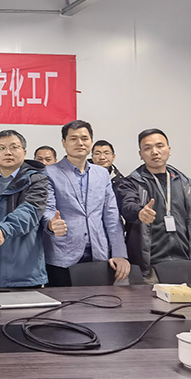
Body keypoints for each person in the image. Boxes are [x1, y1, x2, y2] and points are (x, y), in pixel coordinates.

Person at [42, 120, 129, 286]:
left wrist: (119, 253)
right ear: (64, 143)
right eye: (73, 138)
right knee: (62, 302)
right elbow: (47, 208)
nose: (80, 143)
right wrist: (51, 223)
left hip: (98, 253)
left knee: (100, 300)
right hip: (62, 253)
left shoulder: (102, 174)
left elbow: (111, 216)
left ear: (91, 141)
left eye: (84, 138)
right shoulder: (49, 172)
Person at [118, 129, 191, 284]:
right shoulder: (132, 182)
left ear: (168, 150)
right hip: (150, 266)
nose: (155, 152)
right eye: (147, 148)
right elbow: (127, 205)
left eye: (160, 146)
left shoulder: (183, 182)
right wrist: (139, 213)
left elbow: (190, 224)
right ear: (140, 154)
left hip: (183, 263)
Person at [0, 130, 49, 288]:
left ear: (24, 152)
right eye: (1, 148)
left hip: (23, 271)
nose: (8, 152)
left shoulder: (36, 180)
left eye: (14, 147)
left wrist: (4, 230)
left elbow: (29, 212)